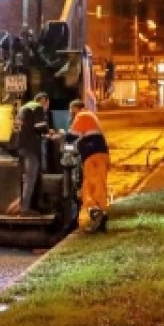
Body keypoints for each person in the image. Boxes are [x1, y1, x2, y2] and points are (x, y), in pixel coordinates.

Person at [64, 99, 109, 233]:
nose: (70, 113)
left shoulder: (82, 116)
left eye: (71, 110)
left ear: (76, 108)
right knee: (98, 186)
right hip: (100, 156)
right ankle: (100, 216)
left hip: (93, 157)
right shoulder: (90, 116)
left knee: (90, 186)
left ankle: (97, 214)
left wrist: (61, 134)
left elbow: (71, 136)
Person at [11, 92, 51, 216]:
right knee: (30, 178)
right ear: (43, 100)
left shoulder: (23, 108)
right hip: (30, 147)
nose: (47, 107)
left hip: (19, 145)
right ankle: (25, 209)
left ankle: (25, 205)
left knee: (26, 178)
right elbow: (40, 126)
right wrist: (49, 132)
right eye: (47, 104)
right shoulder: (37, 107)